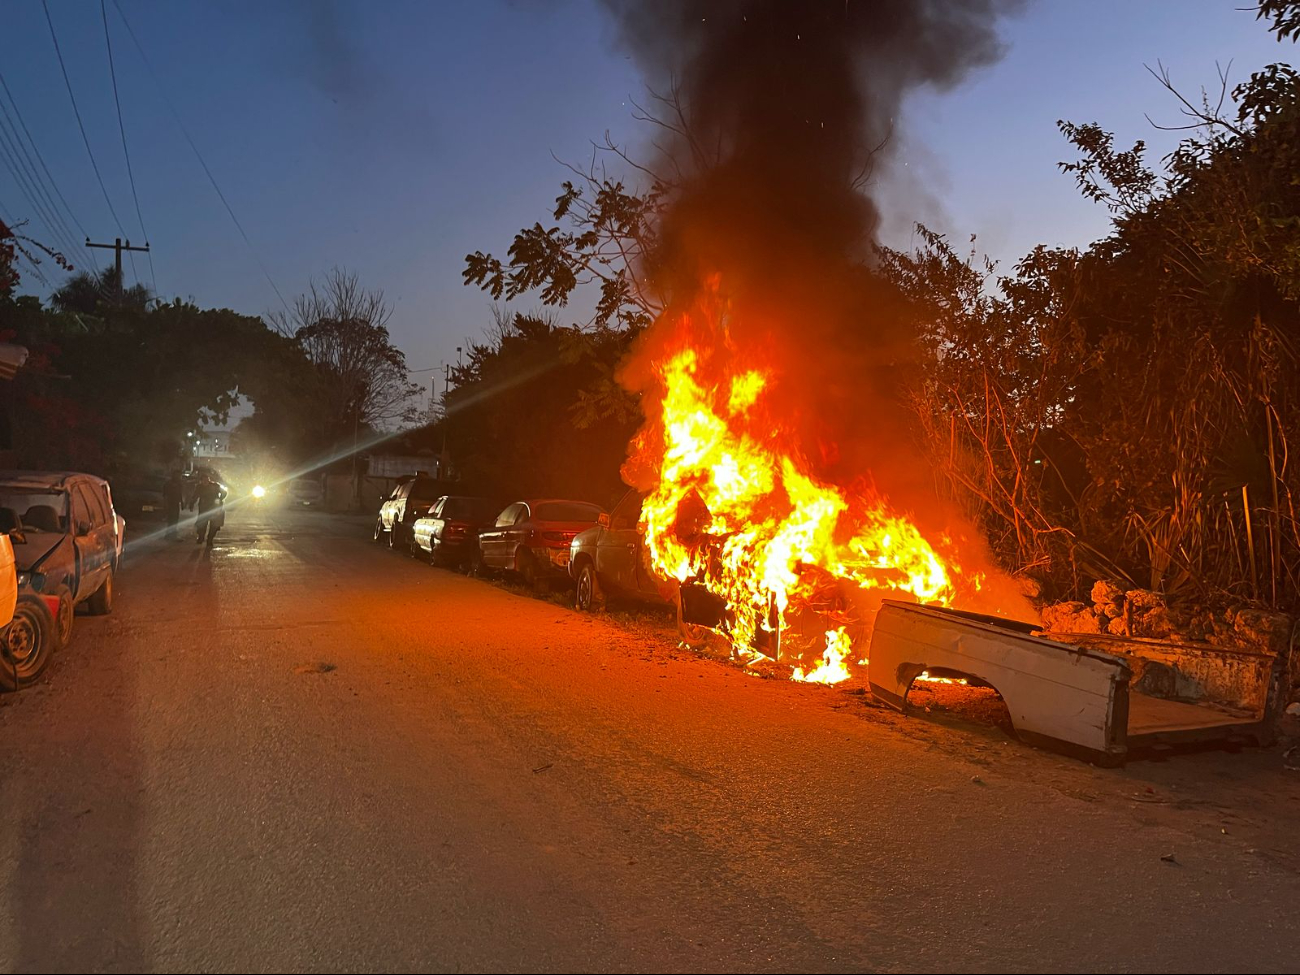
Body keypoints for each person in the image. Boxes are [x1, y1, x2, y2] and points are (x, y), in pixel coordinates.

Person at [190, 471, 227, 547]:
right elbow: (195, 496)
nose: (205, 482)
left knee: (214, 526)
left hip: (214, 509)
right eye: (203, 480)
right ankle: (201, 537)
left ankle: (210, 539)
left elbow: (224, 493)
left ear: (209, 480)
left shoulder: (215, 486)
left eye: (206, 480)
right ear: (201, 481)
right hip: (204, 508)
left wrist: (220, 499)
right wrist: (192, 503)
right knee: (201, 525)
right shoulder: (199, 487)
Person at [162, 469, 184, 540]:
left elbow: (180, 494)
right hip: (170, 503)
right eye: (178, 475)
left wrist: (182, 503)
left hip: (176, 504)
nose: (179, 477)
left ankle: (172, 535)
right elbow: (165, 495)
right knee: (171, 520)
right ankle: (170, 535)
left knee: (175, 520)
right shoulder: (168, 484)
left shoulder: (179, 484)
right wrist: (166, 504)